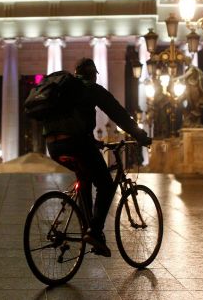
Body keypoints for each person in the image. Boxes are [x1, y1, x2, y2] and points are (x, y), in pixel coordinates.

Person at [45, 58, 152, 257]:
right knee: (105, 184)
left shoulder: (65, 92)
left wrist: (94, 142)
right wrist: (141, 136)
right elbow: (118, 113)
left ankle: (87, 227)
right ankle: (94, 231)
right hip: (76, 143)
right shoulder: (91, 89)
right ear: (93, 75)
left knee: (84, 176)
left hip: (53, 145)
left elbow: (74, 122)